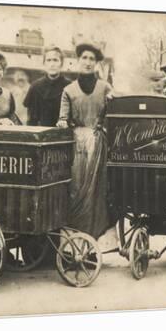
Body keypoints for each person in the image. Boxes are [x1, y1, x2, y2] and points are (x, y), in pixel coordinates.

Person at [56, 43, 114, 238]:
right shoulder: (69, 90)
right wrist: (63, 123)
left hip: (98, 144)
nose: (88, 62)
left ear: (97, 63)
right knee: (76, 189)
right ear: (78, 60)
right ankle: (75, 241)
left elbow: (111, 115)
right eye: (84, 58)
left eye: (92, 59)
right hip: (77, 145)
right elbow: (63, 117)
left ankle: (93, 240)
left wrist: (103, 124)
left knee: (97, 193)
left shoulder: (105, 88)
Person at [24, 46, 71, 126]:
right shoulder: (35, 87)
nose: (52, 64)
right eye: (48, 60)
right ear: (44, 63)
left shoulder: (69, 87)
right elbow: (31, 119)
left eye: (55, 60)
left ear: (61, 63)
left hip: (63, 134)